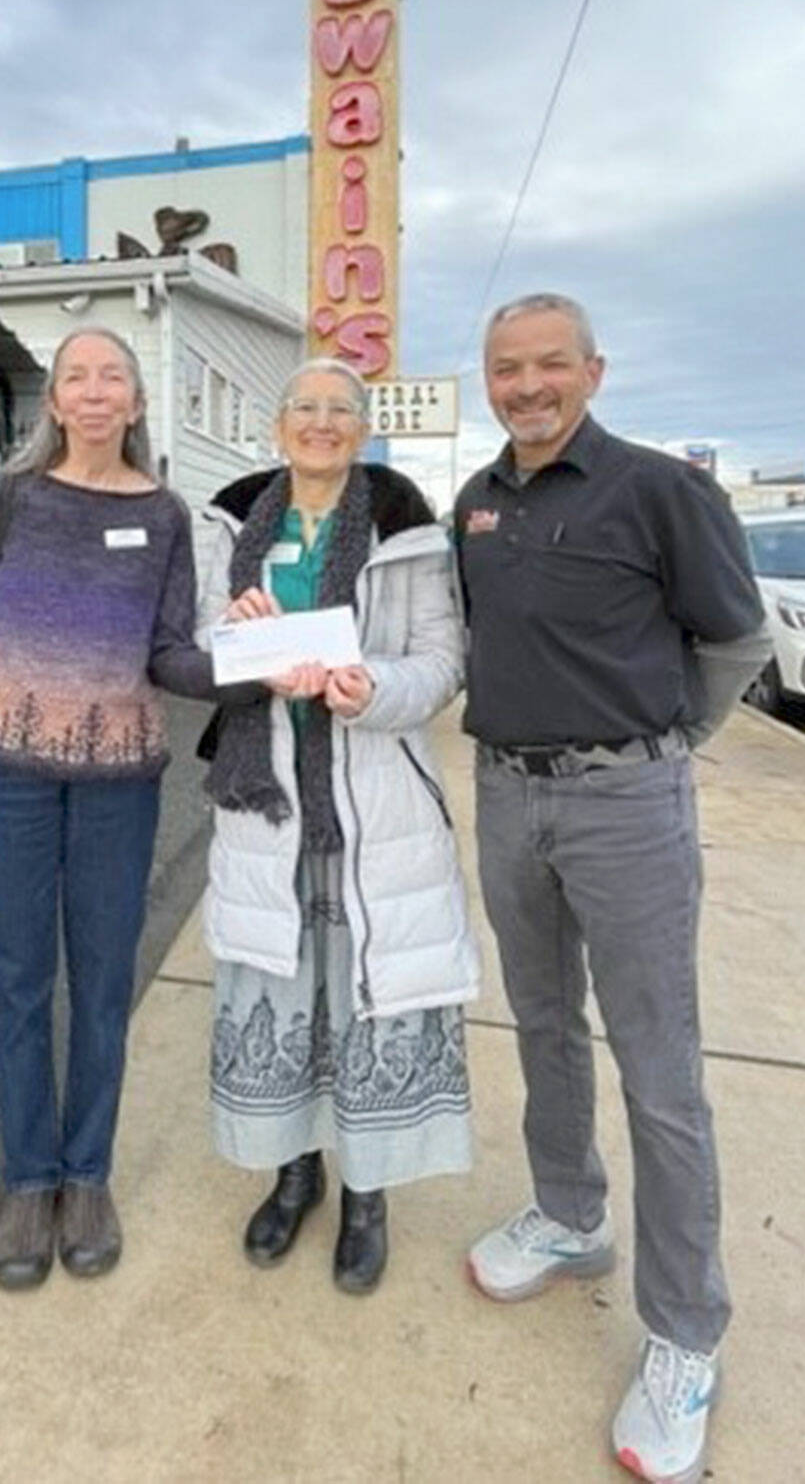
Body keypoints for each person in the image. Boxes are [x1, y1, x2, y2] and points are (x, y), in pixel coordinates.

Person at [454, 293, 772, 1482]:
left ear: (590, 369)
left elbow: (733, 639)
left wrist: (663, 742)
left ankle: (685, 1332)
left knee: (658, 1068)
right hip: (505, 794)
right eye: (504, 368)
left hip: (624, 803)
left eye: (547, 365)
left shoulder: (656, 489)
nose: (525, 385)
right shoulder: (475, 504)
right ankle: (569, 1212)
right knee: (540, 1023)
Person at [0, 327, 227, 1290]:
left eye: (114, 378)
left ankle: (86, 1175)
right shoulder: (8, 501)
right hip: (3, 774)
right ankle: (29, 1180)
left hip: (119, 787)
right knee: (17, 981)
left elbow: (172, 654)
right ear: (53, 402)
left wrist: (258, 670)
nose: (95, 392)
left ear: (137, 404)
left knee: (101, 985)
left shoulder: (168, 516)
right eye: (76, 378)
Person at [197, 358, 478, 1295]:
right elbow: (197, 647)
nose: (321, 423)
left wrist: (373, 691)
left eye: (340, 411)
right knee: (282, 993)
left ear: (363, 430)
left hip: (375, 804)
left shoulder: (410, 533)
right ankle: (293, 1172)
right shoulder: (230, 523)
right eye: (304, 408)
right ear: (278, 426)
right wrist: (236, 644)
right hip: (265, 802)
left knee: (368, 999)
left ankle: (368, 1193)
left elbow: (440, 662)